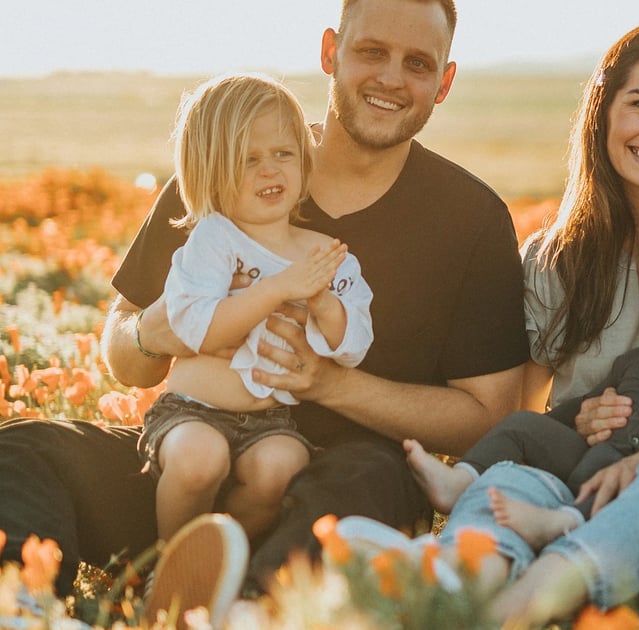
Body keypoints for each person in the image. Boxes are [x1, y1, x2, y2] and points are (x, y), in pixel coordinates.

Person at [0, 0, 528, 624]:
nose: (391, 77)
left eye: (417, 63)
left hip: (329, 489)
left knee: (372, 477)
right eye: (371, 52)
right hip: (188, 463)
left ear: (443, 83)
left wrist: (329, 383)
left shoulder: (471, 220)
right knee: (25, 450)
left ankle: (235, 607)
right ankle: (23, 608)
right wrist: (154, 330)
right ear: (331, 51)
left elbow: (486, 418)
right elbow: (124, 358)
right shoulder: (228, 164)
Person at [389, 14, 639, 626]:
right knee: (510, 475)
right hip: (582, 487)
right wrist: (575, 418)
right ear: (604, 110)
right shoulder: (554, 257)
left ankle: (516, 609)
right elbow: (519, 413)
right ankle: (454, 590)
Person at [404, 211, 639, 548]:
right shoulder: (635, 360)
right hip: (591, 458)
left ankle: (562, 522)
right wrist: (557, 425)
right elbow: (583, 406)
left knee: (616, 479)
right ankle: (460, 480)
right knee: (523, 425)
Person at [140, 72, 374, 543]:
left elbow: (353, 345)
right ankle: (168, 563)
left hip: (270, 420)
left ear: (304, 163)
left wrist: (321, 302)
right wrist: (276, 288)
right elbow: (198, 330)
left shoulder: (325, 252)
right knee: (199, 460)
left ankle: (222, 558)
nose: (270, 171)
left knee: (283, 467)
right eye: (248, 160)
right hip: (191, 410)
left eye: (283, 154)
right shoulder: (212, 239)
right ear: (210, 172)